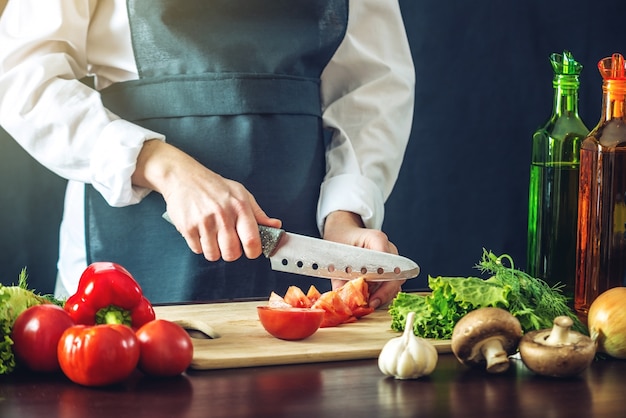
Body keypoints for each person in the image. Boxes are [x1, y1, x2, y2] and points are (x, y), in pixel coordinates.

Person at [0, 1, 415, 307]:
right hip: (131, 229)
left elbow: (374, 84)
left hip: (301, 229)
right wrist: (165, 168)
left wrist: (346, 215)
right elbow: (20, 76)